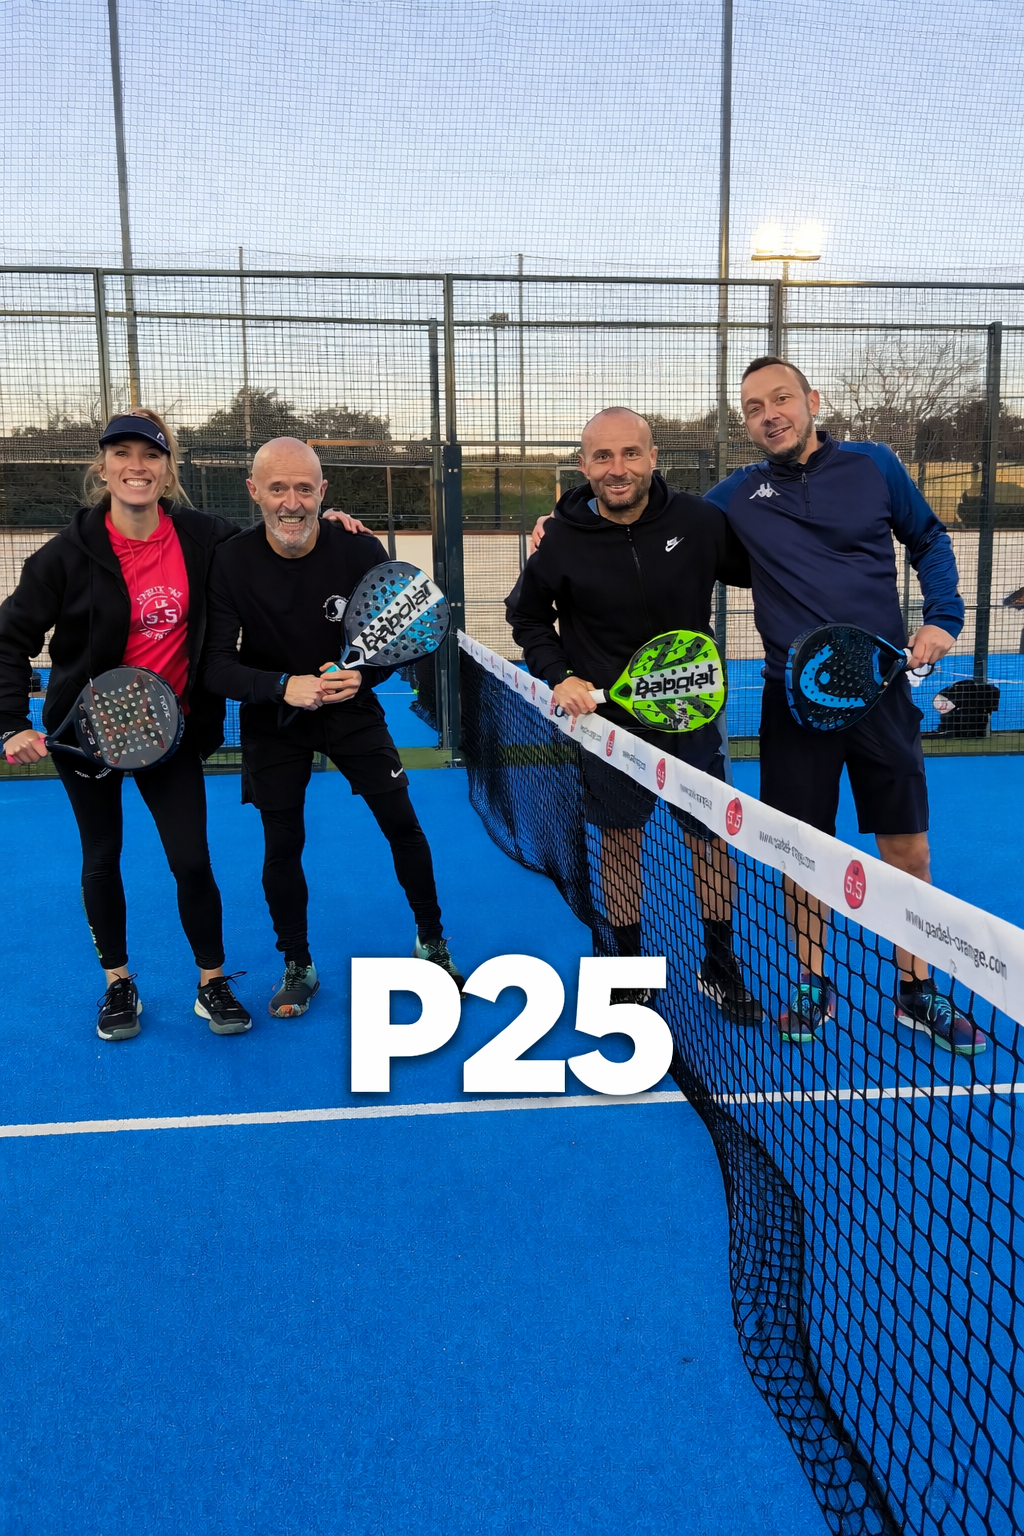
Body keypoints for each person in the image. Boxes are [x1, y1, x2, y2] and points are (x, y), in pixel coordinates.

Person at [702, 356, 981, 1054]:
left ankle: (916, 989)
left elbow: (929, 538)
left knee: (907, 848)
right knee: (805, 852)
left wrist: (943, 617)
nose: (770, 414)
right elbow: (660, 527)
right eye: (754, 407)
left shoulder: (874, 465)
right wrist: (569, 517)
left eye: (781, 399)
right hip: (791, 702)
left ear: (812, 401)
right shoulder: (736, 495)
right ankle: (812, 980)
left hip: (881, 693)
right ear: (746, 423)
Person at [0, 410, 252, 1041]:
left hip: (169, 734)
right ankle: (118, 983)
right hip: (85, 737)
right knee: (101, 857)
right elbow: (9, 637)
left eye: (150, 455)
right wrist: (9, 724)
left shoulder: (205, 537)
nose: (136, 466)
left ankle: (212, 982)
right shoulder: (64, 555)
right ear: (104, 466)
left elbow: (275, 543)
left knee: (191, 860)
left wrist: (332, 525)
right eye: (122, 453)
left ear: (168, 469)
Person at [507, 407, 760, 1025]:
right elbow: (528, 617)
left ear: (652, 457)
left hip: (692, 713)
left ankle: (719, 964)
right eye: (602, 456)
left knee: (710, 840)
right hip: (609, 725)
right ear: (583, 464)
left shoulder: (700, 522)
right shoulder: (560, 539)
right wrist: (560, 674)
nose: (617, 468)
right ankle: (629, 967)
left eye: (629, 453)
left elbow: (766, 569)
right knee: (620, 842)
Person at [203, 436, 462, 1017]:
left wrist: (360, 678)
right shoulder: (231, 560)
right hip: (275, 719)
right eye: (277, 488)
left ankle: (432, 940)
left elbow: (394, 637)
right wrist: (281, 685)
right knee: (282, 844)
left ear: (322, 491)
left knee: (402, 823)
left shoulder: (359, 548)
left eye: (304, 488)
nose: (291, 502)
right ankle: (298, 963)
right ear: (254, 492)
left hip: (351, 712)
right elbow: (215, 665)